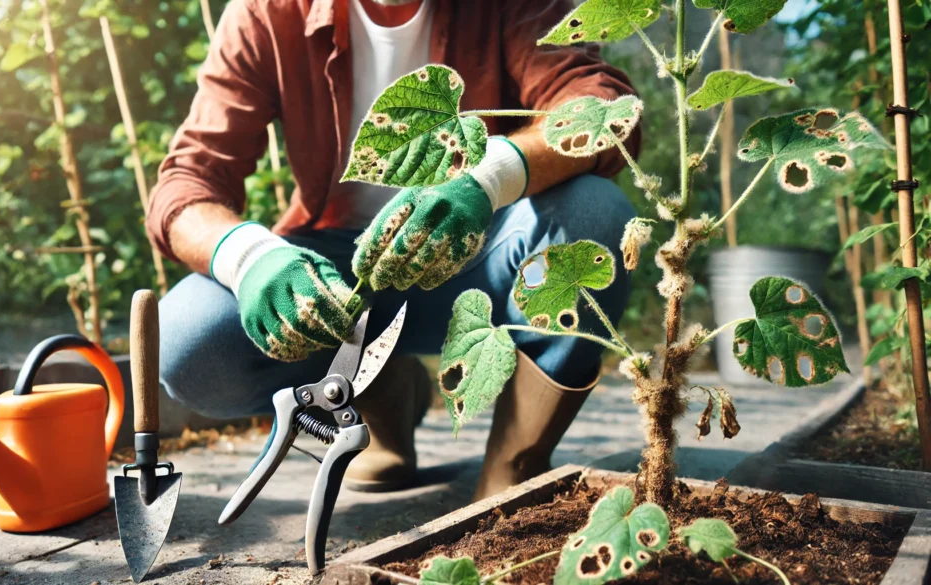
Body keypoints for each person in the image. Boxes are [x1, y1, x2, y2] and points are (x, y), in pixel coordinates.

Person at [147, 0, 639, 501]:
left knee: (591, 216)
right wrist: (251, 257)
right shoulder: (266, 12)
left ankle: (515, 466)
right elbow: (186, 185)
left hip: (479, 251)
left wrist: (488, 177)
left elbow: (600, 106)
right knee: (188, 337)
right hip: (336, 280)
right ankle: (381, 393)